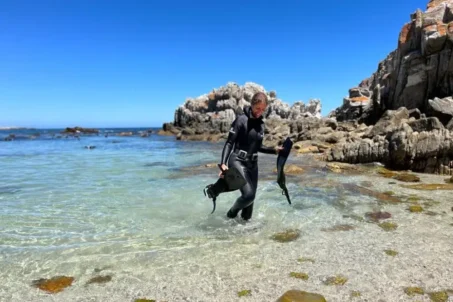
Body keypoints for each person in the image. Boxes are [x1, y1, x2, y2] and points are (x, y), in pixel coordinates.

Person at [218, 92, 283, 221]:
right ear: (252, 104)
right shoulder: (241, 120)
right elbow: (229, 143)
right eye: (258, 108)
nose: (260, 112)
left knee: (249, 210)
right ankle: (231, 214)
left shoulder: (261, 125)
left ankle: (244, 236)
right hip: (237, 161)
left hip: (253, 165)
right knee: (248, 195)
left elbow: (258, 147)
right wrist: (223, 164)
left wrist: (275, 150)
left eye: (263, 109)